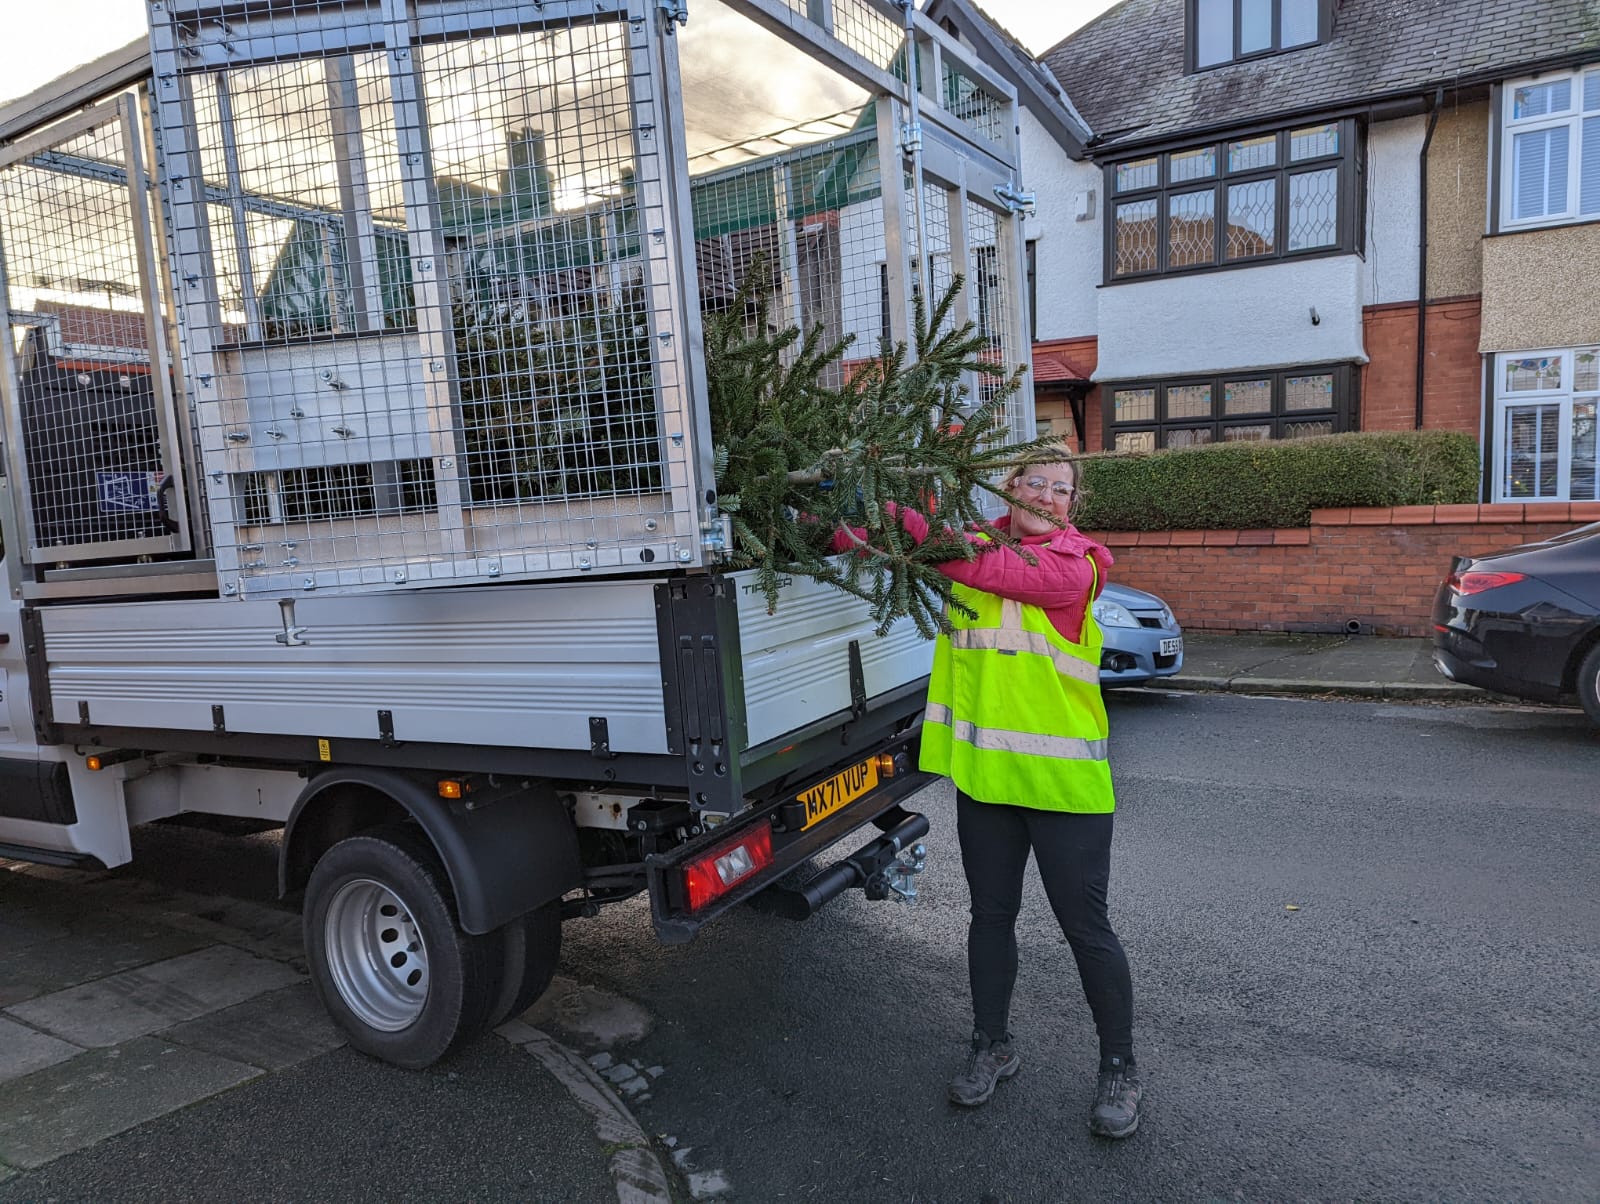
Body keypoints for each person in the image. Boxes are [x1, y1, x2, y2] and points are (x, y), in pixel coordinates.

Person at [839, 453, 1140, 1138]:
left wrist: (886, 504)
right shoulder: (970, 543)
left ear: (1073, 504)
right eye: (1035, 482)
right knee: (990, 918)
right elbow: (900, 546)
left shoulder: (1079, 565)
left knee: (1086, 930)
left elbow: (978, 565)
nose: (1049, 495)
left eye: (1062, 488)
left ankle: (1119, 1068)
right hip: (988, 782)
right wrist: (836, 511)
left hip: (1066, 788)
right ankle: (990, 1046)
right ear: (1009, 489)